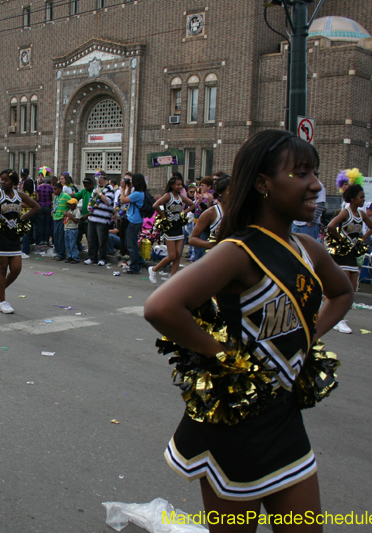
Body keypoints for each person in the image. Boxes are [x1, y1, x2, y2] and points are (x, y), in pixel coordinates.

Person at [144, 130, 353, 532]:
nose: (315, 184)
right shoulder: (238, 251)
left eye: (315, 172)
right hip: (235, 426)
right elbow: (161, 307)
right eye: (301, 173)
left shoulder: (309, 248)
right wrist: (221, 354)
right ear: (262, 184)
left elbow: (341, 294)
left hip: (285, 419)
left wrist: (307, 339)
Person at [0, 169, 40, 314]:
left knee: (16, 269)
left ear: (13, 182)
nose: (2, 182)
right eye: (1, 179)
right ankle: (2, 302)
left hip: (13, 236)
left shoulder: (19, 195)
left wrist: (23, 217)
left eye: (6, 180)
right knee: (2, 268)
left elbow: (36, 206)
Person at [326, 184, 372, 334]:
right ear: (352, 198)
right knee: (344, 288)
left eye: (364, 197)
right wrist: (343, 239)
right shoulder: (345, 213)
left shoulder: (361, 214)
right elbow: (331, 226)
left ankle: (328, 310)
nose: (363, 200)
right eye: (361, 197)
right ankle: (338, 320)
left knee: (352, 291)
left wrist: (361, 239)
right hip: (341, 255)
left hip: (352, 255)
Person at [148, 176, 195, 283]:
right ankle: (154, 269)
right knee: (172, 255)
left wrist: (183, 213)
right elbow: (155, 205)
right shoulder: (168, 196)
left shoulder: (180, 197)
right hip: (169, 228)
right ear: (172, 185)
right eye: (178, 184)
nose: (180, 186)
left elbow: (193, 205)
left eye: (181, 184)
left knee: (178, 255)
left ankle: (172, 279)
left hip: (178, 227)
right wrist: (164, 217)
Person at [188, 175, 231, 253]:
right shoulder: (212, 212)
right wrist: (211, 244)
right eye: (229, 190)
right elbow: (192, 239)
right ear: (220, 192)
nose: (233, 193)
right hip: (216, 257)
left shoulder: (240, 211)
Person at [85, 171, 116, 266]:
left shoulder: (109, 188)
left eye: (97, 177)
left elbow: (108, 201)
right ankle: (92, 257)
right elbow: (91, 201)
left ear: (102, 177)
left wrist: (100, 194)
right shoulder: (96, 189)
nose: (95, 179)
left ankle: (102, 258)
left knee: (102, 240)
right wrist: (88, 207)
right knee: (91, 239)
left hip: (103, 219)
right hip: (93, 218)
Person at [119, 173, 147, 274]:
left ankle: (134, 267)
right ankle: (140, 261)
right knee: (129, 243)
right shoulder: (139, 193)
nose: (130, 182)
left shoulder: (138, 194)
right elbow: (128, 198)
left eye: (132, 181)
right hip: (135, 220)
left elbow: (123, 200)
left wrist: (123, 188)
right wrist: (129, 188)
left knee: (131, 245)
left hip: (134, 221)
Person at [292, 177, 326, 241]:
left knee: (307, 249)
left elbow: (320, 204)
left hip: (308, 226)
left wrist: (311, 222)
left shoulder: (318, 186)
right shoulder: (297, 183)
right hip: (295, 224)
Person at [51, 180, 72, 261]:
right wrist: (52, 211)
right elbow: (55, 206)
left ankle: (61, 254)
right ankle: (57, 252)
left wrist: (67, 212)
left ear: (60, 189)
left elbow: (72, 204)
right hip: (55, 217)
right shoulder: (56, 196)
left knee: (61, 237)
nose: (54, 191)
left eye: (55, 189)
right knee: (55, 236)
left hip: (62, 219)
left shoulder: (65, 196)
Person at [35, 171, 54, 245]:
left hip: (41, 206)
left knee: (41, 224)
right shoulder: (51, 188)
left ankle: (41, 240)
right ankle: (46, 240)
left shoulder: (39, 187)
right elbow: (53, 198)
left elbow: (37, 198)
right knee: (48, 224)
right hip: (48, 206)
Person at [63, 198, 81, 264]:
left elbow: (77, 221)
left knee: (73, 244)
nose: (70, 206)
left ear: (75, 204)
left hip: (73, 229)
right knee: (67, 244)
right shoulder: (69, 210)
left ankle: (75, 257)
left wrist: (71, 217)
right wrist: (64, 216)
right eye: (69, 204)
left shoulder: (77, 211)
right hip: (67, 228)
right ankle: (69, 256)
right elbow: (65, 220)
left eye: (71, 204)